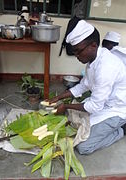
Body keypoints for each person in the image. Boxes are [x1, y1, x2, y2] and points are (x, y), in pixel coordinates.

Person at [48, 20, 126, 155]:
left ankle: (122, 130)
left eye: (78, 52)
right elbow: (84, 85)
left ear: (93, 45)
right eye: (75, 53)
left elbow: (95, 106)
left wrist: (66, 106)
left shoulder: (106, 67)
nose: (77, 56)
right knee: (73, 121)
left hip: (116, 110)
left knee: (83, 147)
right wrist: (58, 97)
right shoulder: (93, 60)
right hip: (102, 103)